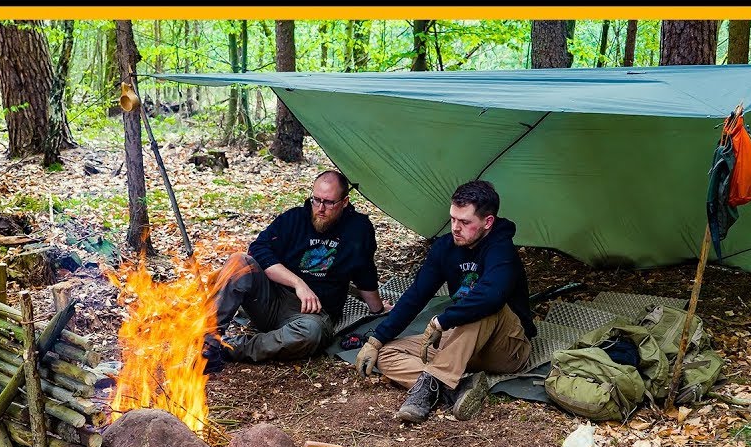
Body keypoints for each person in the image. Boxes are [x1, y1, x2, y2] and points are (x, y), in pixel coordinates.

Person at [354, 180, 535, 423]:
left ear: (488, 222)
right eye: (452, 219)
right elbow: (417, 294)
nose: (455, 228)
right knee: (386, 354)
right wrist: (376, 339)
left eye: (465, 222)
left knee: (484, 305)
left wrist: (442, 321)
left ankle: (426, 392)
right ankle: (458, 387)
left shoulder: (501, 249)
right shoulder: (445, 248)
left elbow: (491, 296)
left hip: (506, 347)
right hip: (461, 344)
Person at [204, 170, 387, 370]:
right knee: (238, 262)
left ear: (344, 202)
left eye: (328, 202)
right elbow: (258, 249)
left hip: (312, 315)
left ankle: (231, 347)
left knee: (311, 333)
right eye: (316, 200)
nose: (320, 208)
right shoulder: (295, 219)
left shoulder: (358, 229)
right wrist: (298, 283)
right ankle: (208, 343)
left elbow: (364, 272)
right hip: (272, 301)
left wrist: (377, 309)